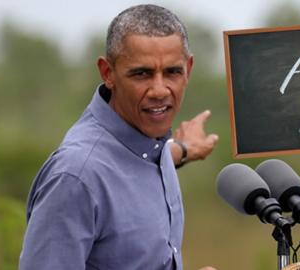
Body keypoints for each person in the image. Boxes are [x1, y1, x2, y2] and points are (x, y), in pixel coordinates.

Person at [19, 4, 218, 270]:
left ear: (188, 69)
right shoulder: (75, 176)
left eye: (172, 72)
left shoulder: (149, 145)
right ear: (108, 73)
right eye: (142, 74)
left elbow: (133, 167)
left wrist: (182, 149)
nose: (159, 90)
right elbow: (106, 174)